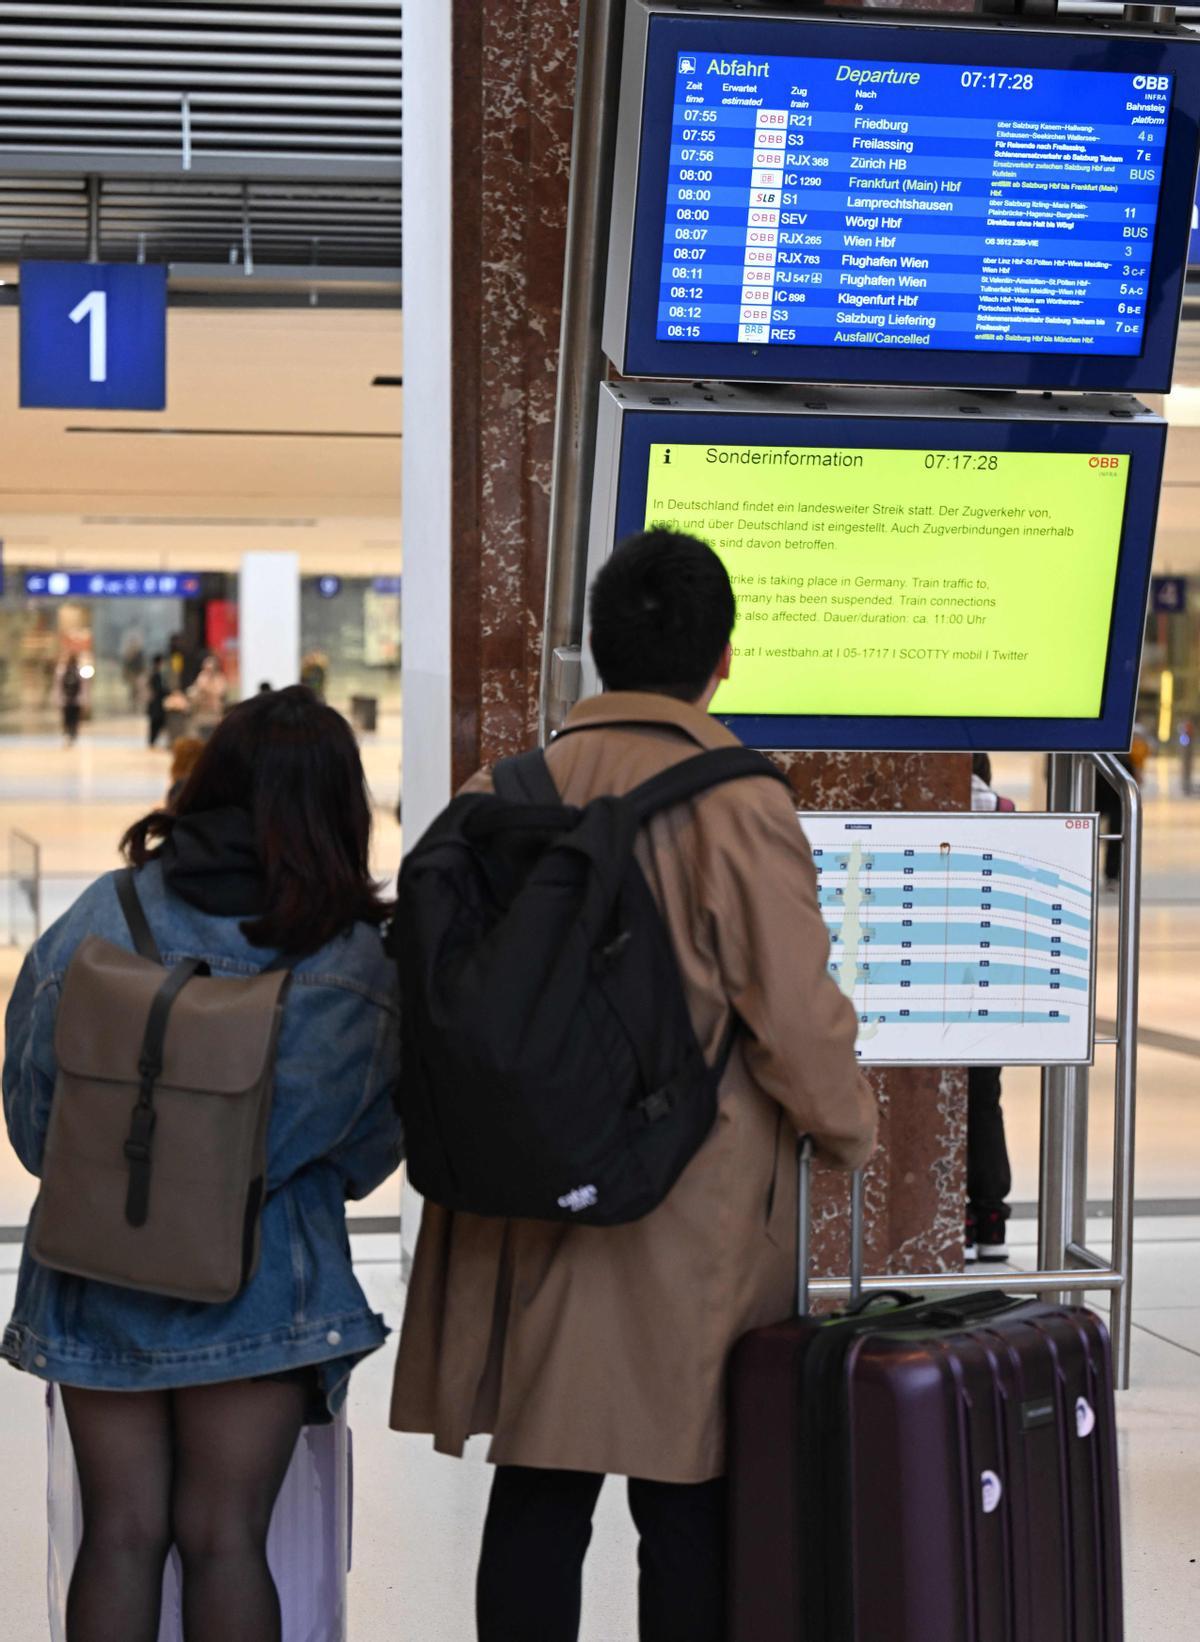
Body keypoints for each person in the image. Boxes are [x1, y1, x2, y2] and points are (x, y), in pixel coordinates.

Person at [390, 529, 878, 1642]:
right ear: (723, 662)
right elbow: (795, 1018)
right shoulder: (737, 801)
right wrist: (848, 1130)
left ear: (597, 656)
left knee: (540, 1487)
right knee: (687, 1496)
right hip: (680, 1207)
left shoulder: (504, 786)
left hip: (520, 1190)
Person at [2, 685, 403, 1642]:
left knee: (121, 1534)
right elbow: (366, 1153)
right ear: (339, 808)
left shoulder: (105, 909)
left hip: (98, 1270)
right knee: (227, 1538)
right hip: (262, 1287)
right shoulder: (352, 956)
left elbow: (31, 1116)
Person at [966, 754, 1015, 1264]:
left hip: (918, 982)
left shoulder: (915, 804)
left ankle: (946, 1217)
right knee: (985, 1098)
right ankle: (990, 1218)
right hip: (984, 980)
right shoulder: (1003, 810)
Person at [187, 655, 228, 741]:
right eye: (206, 668)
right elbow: (196, 690)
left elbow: (220, 692)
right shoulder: (201, 677)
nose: (208, 670)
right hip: (201, 713)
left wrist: (208, 689)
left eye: (210, 668)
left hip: (214, 712)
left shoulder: (219, 678)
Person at [59, 656, 83, 746]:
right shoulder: (77, 671)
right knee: (74, 718)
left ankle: (69, 733)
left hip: (67, 700)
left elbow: (58, 687)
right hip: (74, 700)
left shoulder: (62, 671)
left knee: (68, 718)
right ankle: (71, 733)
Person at [146, 654, 169, 748]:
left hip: (156, 704)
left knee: (156, 724)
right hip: (157, 704)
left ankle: (153, 741)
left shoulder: (155, 673)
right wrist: (169, 692)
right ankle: (152, 741)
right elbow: (159, 690)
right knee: (156, 723)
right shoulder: (156, 674)